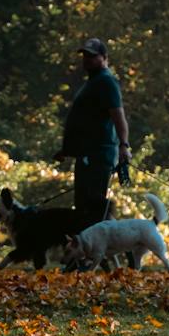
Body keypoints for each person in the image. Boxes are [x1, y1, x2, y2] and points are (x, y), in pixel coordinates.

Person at [55, 37, 131, 220]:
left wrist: (124, 145)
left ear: (104, 58)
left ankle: (113, 245)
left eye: (92, 56)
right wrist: (67, 150)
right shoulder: (93, 82)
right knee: (86, 207)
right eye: (85, 56)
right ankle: (105, 245)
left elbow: (118, 117)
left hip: (98, 155)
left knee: (92, 208)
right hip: (87, 154)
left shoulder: (106, 82)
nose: (87, 60)